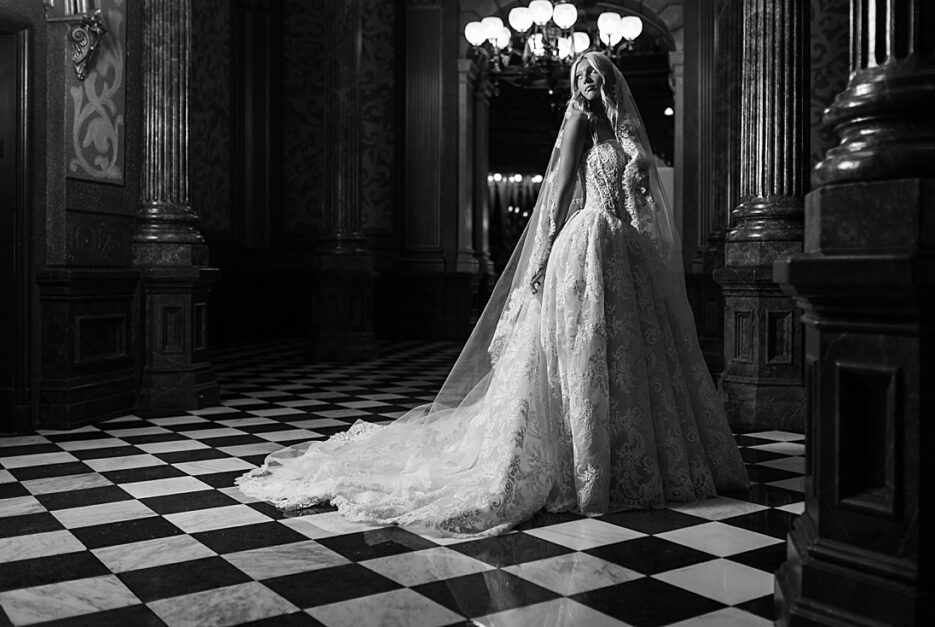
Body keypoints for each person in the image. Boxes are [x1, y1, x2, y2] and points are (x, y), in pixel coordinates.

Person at [237, 51, 749, 536]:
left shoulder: (626, 133)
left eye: (594, 78)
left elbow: (645, 203)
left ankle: (628, 454)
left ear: (610, 83)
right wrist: (543, 257)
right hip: (585, 241)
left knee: (627, 354)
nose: (587, 86)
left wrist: (637, 173)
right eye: (580, 80)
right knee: (579, 349)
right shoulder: (575, 124)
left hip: (623, 249)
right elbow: (556, 197)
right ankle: (579, 458)